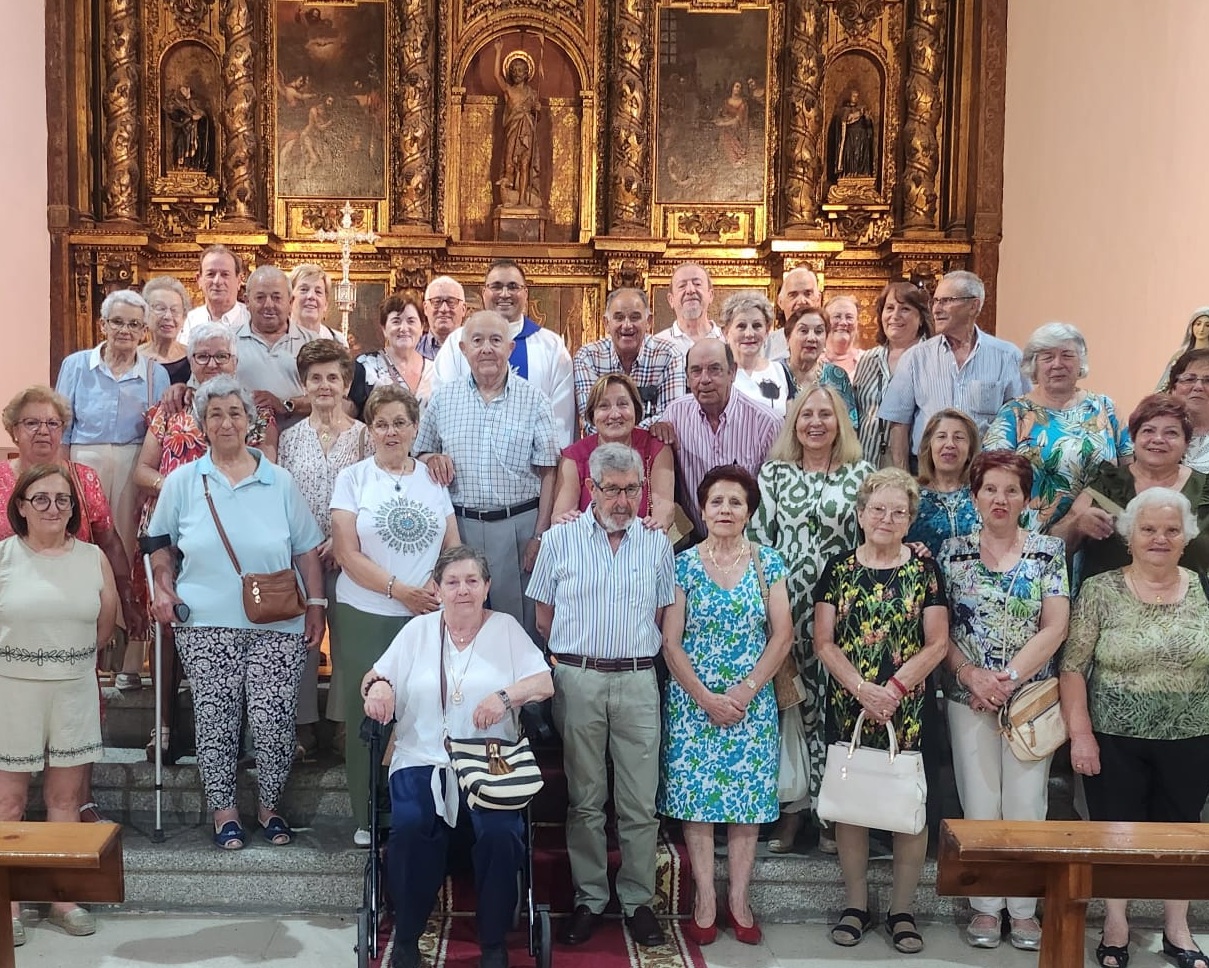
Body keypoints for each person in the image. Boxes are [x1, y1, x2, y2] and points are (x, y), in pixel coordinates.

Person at [146, 375, 326, 851]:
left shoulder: (279, 480)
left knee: (273, 719)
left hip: (278, 620)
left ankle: (270, 806)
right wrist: (163, 585)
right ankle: (224, 811)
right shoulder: (184, 481)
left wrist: (317, 605)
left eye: (235, 413)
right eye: (215, 415)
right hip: (205, 621)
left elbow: (307, 549)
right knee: (215, 719)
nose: (226, 423)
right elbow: (159, 544)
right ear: (202, 424)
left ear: (250, 421)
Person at [362, 545, 553, 968]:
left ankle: (493, 942)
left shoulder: (505, 629)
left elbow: (544, 682)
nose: (462, 590)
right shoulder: (417, 632)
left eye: (471, 581)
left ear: (486, 587)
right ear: (437, 588)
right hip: (421, 756)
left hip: (491, 759)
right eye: (452, 582)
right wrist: (380, 688)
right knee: (411, 827)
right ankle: (407, 936)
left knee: (501, 834)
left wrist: (506, 697)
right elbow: (375, 676)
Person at [528, 444, 675, 948]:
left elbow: (661, 614)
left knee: (639, 802)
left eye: (632, 489)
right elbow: (543, 617)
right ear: (591, 488)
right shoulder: (559, 540)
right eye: (611, 489)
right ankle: (589, 899)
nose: (622, 500)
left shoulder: (656, 543)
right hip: (579, 678)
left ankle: (637, 901)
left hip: (637, 679)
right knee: (585, 800)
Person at [1060, 488, 1209, 968]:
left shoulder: (1205, 587)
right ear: (1130, 536)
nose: (1159, 538)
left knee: (1182, 836)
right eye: (1148, 529)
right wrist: (1081, 733)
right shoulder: (1099, 590)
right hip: (1113, 739)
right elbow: (1072, 668)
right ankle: (1116, 924)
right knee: (1116, 834)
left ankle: (1178, 929)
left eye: (1171, 530)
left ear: (1186, 537)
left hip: (1192, 737)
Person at [937, 450, 1069, 951]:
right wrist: (972, 676)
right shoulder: (951, 552)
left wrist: (1008, 678)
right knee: (979, 801)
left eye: (1011, 490)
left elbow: (1056, 625)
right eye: (989, 489)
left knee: (1026, 802)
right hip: (967, 694)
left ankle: (1025, 908)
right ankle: (986, 906)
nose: (1000, 498)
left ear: (1026, 498)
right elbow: (940, 629)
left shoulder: (1047, 551)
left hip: (1030, 698)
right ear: (974, 497)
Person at [814, 468, 949, 953]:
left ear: (910, 520)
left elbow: (938, 643)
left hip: (907, 704)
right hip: (849, 703)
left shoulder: (925, 570)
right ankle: (856, 905)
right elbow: (823, 641)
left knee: (908, 806)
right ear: (860, 514)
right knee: (852, 805)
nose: (886, 519)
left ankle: (902, 911)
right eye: (877, 509)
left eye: (898, 512)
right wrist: (862, 690)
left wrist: (891, 688)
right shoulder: (839, 568)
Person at [660, 465, 793, 947]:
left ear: (749, 511)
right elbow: (670, 641)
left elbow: (783, 634)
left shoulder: (768, 562)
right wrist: (705, 697)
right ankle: (704, 898)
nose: (725, 510)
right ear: (702, 508)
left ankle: (738, 898)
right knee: (696, 802)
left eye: (736, 502)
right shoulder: (682, 565)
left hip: (750, 703)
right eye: (716, 501)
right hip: (693, 702)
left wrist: (746, 690)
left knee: (746, 805)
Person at [132, 323, 278, 757]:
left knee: (233, 623)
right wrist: (180, 490)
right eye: (202, 356)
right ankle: (164, 725)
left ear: (235, 361)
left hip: (234, 533)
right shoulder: (170, 407)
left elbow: (268, 467)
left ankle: (234, 728)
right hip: (170, 528)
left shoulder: (255, 410)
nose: (212, 364)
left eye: (221, 356)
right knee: (168, 623)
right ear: (190, 360)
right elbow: (142, 470)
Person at [330, 383, 458, 845]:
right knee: (368, 712)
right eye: (381, 424)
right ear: (369, 430)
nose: (391, 432)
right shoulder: (353, 479)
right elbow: (346, 552)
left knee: (423, 711)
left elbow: (453, 545)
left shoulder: (432, 479)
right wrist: (398, 590)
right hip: (366, 612)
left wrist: (437, 584)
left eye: (400, 423)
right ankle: (366, 814)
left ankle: (414, 808)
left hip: (425, 614)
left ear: (415, 428)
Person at [749, 384, 875, 853]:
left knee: (834, 708)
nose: (815, 423)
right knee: (791, 709)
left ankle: (833, 812)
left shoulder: (862, 474)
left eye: (825, 414)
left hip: (844, 610)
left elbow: (875, 535)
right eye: (806, 415)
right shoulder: (774, 474)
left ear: (840, 422)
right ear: (794, 423)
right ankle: (793, 811)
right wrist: (768, 609)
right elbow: (758, 543)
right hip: (787, 608)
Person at [0, 464, 118, 943]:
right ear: (21, 506)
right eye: (41, 498)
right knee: (7, 802)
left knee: (65, 800)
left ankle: (62, 899)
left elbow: (105, 625)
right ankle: (7, 905)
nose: (53, 507)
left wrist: (68, 660)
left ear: (73, 509)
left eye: (63, 499)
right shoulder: (3, 557)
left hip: (72, 688)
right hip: (12, 690)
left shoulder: (93, 558)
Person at [417, 311, 561, 637]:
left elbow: (549, 472)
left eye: (496, 340)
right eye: (477, 341)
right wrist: (431, 458)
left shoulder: (535, 400)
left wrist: (539, 536)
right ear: (463, 349)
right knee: (461, 625)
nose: (486, 349)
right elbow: (418, 454)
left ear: (510, 348)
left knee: (519, 630)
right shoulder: (443, 399)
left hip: (518, 528)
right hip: (459, 528)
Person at [56, 288, 170, 691]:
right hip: (82, 463)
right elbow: (63, 427)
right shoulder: (76, 365)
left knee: (129, 555)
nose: (125, 330)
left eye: (134, 324)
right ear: (102, 324)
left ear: (144, 331)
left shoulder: (156, 373)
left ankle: (130, 661)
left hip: (132, 464)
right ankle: (80, 652)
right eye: (117, 322)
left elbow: (159, 432)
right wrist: (62, 475)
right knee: (81, 549)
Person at [278, 341, 368, 761]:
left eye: (333, 377)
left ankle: (343, 723)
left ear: (346, 384)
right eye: (315, 378)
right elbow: (283, 498)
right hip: (303, 555)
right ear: (304, 384)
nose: (325, 385)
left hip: (353, 554)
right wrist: (307, 544)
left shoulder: (365, 436)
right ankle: (302, 726)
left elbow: (372, 495)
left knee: (348, 640)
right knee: (303, 640)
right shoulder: (289, 439)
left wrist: (341, 540)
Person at [983, 322, 1131, 531]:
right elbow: (992, 477)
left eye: (1067, 355)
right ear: (1034, 365)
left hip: (1100, 533)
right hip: (1032, 536)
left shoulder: (1106, 408)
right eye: (1047, 357)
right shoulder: (1014, 414)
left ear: (1081, 362)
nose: (1058, 364)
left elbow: (1130, 470)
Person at [879, 270, 1027, 469]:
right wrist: (904, 479)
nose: (936, 309)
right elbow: (898, 425)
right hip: (926, 473)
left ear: (973, 306)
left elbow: (1022, 421)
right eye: (935, 301)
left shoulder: (1007, 356)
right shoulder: (915, 358)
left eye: (946, 301)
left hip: (985, 472)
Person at [1056, 394, 1209, 580]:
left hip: (1193, 597)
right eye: (1148, 431)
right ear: (1134, 438)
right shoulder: (1106, 483)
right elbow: (1053, 544)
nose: (1158, 439)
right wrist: (1077, 525)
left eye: (1171, 433)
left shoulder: (1204, 488)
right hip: (1107, 596)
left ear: (1186, 443)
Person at [431, 260, 576, 446]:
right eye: (496, 286)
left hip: (531, 461)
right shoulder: (457, 343)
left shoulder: (551, 347)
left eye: (513, 287)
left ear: (526, 293)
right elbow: (444, 404)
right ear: (484, 292)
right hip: (466, 455)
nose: (505, 294)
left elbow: (560, 418)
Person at [660, 339, 781, 538]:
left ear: (732, 372)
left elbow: (776, 499)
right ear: (687, 378)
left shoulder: (767, 424)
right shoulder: (675, 415)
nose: (704, 379)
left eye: (714, 369)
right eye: (696, 371)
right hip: (697, 542)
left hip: (750, 543)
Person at [552, 374, 674, 530]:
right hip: (587, 541)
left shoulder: (657, 448)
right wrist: (566, 525)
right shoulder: (573, 457)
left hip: (643, 538)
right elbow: (561, 516)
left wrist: (651, 535)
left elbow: (663, 506)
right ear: (592, 414)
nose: (615, 414)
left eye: (623, 404)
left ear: (636, 409)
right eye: (604, 406)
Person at [573, 287, 685, 431]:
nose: (626, 325)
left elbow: (670, 418)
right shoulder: (588, 358)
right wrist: (640, 431)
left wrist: (618, 431)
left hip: (650, 445)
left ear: (649, 322)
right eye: (619, 318)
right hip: (604, 445)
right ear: (606, 323)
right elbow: (591, 421)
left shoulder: (669, 355)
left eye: (635, 317)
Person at [852, 283, 933, 467]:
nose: (895, 316)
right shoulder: (868, 359)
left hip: (914, 467)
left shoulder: (933, 360)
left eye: (905, 309)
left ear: (921, 318)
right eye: (889, 308)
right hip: (866, 465)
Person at [234, 265, 317, 431]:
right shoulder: (226, 342)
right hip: (241, 441)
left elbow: (332, 398)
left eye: (277, 297)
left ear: (290, 302)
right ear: (246, 301)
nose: (268, 305)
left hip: (300, 441)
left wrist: (287, 404)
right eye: (260, 297)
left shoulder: (313, 343)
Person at [905, 409, 980, 557]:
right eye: (941, 436)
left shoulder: (983, 494)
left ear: (970, 450)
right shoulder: (909, 495)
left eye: (958, 437)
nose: (950, 444)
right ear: (929, 447)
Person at [782, 308, 858, 425]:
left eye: (818, 331)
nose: (812, 338)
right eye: (803, 331)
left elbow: (850, 426)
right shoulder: (774, 373)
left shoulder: (837, 376)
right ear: (788, 338)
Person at [493, 38, 544, 207]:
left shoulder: (532, 93)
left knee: (524, 165)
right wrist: (498, 52)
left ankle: (522, 200)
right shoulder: (508, 90)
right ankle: (508, 197)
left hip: (527, 132)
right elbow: (496, 76)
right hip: (513, 131)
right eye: (514, 70)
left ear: (526, 73)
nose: (517, 73)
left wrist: (537, 109)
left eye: (520, 70)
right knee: (509, 163)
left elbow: (538, 117)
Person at [358, 293, 435, 403]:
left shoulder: (435, 371)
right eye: (396, 321)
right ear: (384, 329)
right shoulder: (366, 366)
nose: (404, 328)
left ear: (422, 327)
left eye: (411, 321)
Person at [723, 291, 790, 414]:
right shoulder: (719, 374)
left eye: (757, 325)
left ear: (767, 331)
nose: (749, 334)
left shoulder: (780, 371)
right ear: (726, 332)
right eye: (741, 326)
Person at [177, 244, 250, 345]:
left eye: (225, 274)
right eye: (210, 274)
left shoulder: (252, 321)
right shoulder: (187, 323)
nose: (217, 281)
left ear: (239, 281)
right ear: (199, 279)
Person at [652, 263, 723, 356]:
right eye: (682, 286)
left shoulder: (729, 341)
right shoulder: (656, 346)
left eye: (697, 284)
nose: (690, 290)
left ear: (710, 295)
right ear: (671, 300)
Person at [138, 275, 192, 384]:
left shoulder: (194, 358)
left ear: (184, 316)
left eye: (174, 310)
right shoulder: (133, 358)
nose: (168, 316)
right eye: (160, 308)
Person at [1166, 348, 1209, 472]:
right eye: (1189, 379)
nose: (1198, 387)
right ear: (1173, 388)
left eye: (1208, 381)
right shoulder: (1154, 435)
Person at [768, 266, 822, 362]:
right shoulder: (766, 346)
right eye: (793, 295)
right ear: (780, 302)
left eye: (808, 294)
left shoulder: (831, 345)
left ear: (818, 300)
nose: (801, 301)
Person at [1157, 306, 1209, 391]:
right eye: (1198, 324)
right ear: (1191, 326)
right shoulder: (1180, 354)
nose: (1201, 329)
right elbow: (1166, 383)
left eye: (1207, 325)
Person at [417, 275, 466, 360]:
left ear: (463, 309)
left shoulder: (476, 350)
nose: (444, 309)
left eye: (451, 302)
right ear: (425, 308)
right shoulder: (413, 350)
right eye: (436, 302)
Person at [821, 294, 864, 378]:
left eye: (849, 317)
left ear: (857, 324)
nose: (843, 322)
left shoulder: (869, 361)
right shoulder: (812, 361)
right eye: (837, 316)